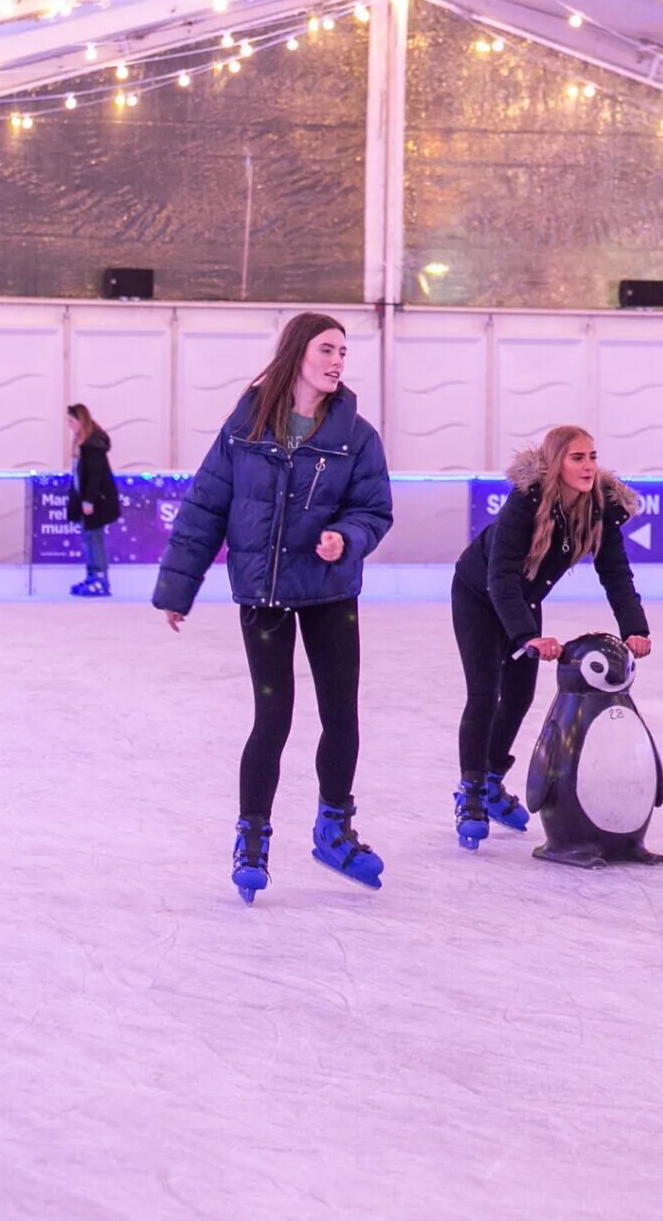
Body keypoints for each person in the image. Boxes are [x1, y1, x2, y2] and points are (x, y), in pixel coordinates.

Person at [153, 312, 394, 903]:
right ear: (297, 353)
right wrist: (178, 587)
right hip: (263, 593)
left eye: (344, 351)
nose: (338, 361)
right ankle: (252, 837)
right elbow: (206, 506)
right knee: (273, 718)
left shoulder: (355, 436)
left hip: (330, 591)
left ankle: (333, 828)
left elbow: (374, 510)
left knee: (341, 714)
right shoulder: (246, 425)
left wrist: (347, 537)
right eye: (327, 349)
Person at [449, 426, 652, 850]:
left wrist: (635, 627)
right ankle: (470, 793)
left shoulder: (600, 509)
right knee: (485, 695)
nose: (589, 466)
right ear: (556, 462)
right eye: (577, 457)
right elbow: (500, 576)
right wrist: (527, 636)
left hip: (523, 600)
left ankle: (490, 779)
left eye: (593, 456)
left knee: (519, 698)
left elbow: (615, 573)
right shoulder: (527, 501)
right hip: (479, 596)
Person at [64, 403, 122, 599]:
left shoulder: (92, 445)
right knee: (89, 538)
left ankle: (99, 578)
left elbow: (96, 475)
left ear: (81, 421)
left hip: (96, 501)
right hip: (86, 500)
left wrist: (89, 500)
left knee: (94, 538)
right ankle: (92, 576)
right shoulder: (81, 443)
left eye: (71, 421)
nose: (69, 425)